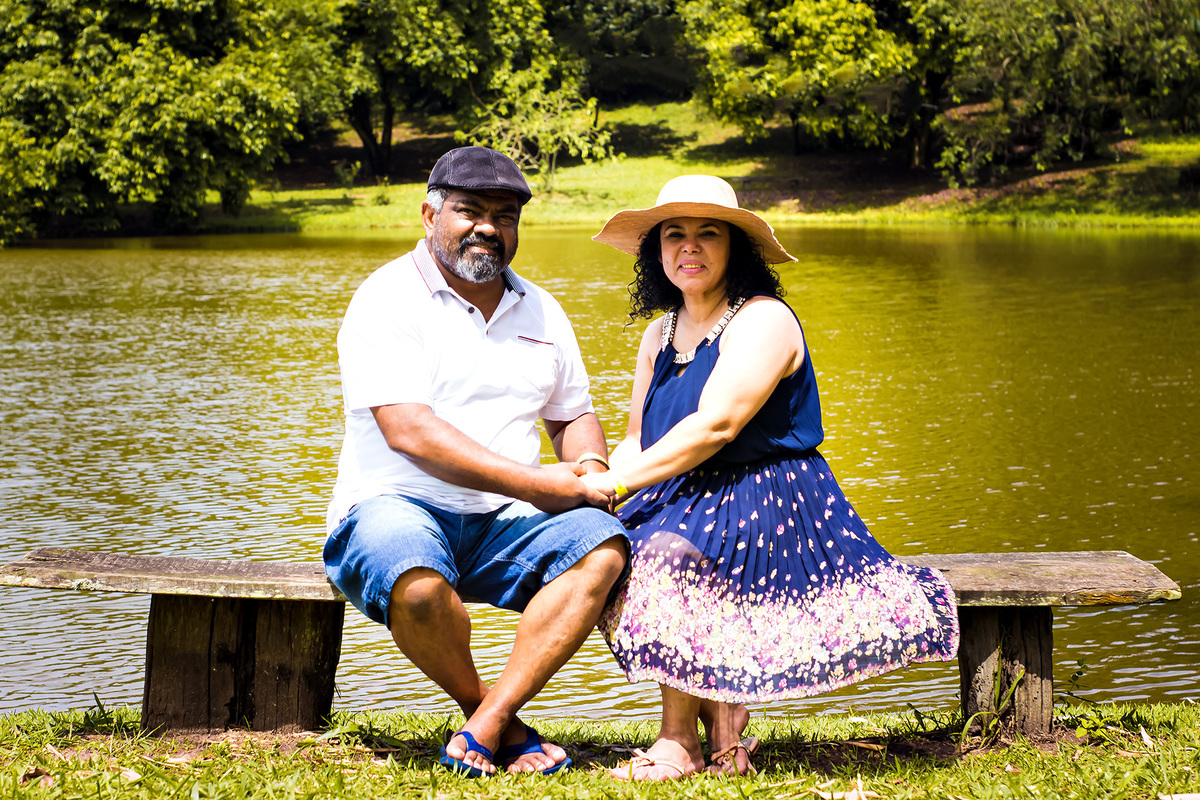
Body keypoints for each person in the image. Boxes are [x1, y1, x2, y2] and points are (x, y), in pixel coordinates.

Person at [583, 176, 960, 780]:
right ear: (656, 250)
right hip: (683, 488)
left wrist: (612, 486)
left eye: (708, 233)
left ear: (736, 247)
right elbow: (637, 438)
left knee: (667, 555)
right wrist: (600, 489)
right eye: (674, 234)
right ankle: (725, 724)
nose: (689, 247)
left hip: (769, 494)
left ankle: (678, 742)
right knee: (599, 544)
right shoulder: (660, 333)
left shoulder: (764, 319)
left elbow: (717, 426)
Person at [323, 146, 629, 777]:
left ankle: (488, 723)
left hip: (505, 521)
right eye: (469, 210)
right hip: (394, 505)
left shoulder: (541, 308)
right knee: (416, 582)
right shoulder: (386, 298)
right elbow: (410, 432)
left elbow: (570, 414)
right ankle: (491, 716)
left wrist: (591, 467)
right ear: (429, 214)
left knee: (603, 548)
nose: (488, 227)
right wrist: (539, 484)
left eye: (505, 215)